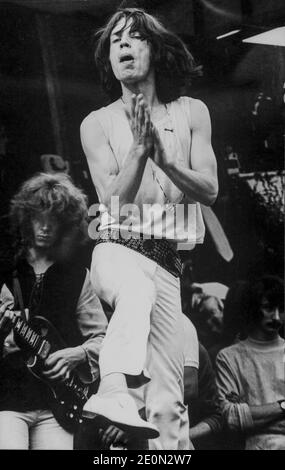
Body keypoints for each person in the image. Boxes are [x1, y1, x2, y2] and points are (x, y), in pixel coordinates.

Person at [80, 7, 218, 449]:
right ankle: (114, 390)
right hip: (118, 247)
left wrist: (168, 160)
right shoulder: (97, 123)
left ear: (154, 50)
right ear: (109, 58)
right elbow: (112, 206)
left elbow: (209, 189)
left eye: (134, 37)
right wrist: (139, 151)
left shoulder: (192, 111)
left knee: (166, 401)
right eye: (115, 39)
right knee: (134, 290)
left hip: (166, 265)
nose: (123, 44)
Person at [0, 173, 107, 449]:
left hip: (57, 406)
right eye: (39, 217)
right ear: (26, 219)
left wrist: (78, 354)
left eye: (54, 220)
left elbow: (103, 340)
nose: (46, 227)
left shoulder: (78, 277)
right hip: (7, 399)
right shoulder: (6, 271)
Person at [215, 276, 285, 450]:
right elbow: (231, 417)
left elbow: (240, 416)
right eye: (268, 308)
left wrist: (251, 414)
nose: (276, 317)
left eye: (282, 309)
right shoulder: (229, 357)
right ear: (254, 308)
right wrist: (283, 406)